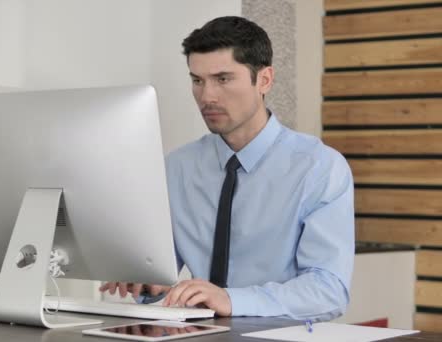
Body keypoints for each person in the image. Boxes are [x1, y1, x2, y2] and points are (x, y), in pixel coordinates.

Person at [100, 16, 354, 321]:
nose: (207, 97)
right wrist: (151, 286)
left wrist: (232, 300)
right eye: (197, 80)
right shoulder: (178, 167)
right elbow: (165, 273)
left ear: (264, 80)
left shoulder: (319, 168)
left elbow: (328, 290)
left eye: (223, 79)